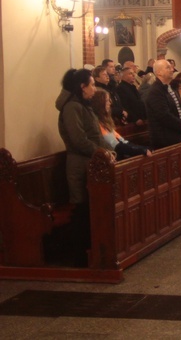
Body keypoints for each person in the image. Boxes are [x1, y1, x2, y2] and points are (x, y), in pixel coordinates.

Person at [56, 68, 114, 266]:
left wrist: (107, 150)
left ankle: (94, 250)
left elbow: (95, 135)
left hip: (92, 162)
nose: (94, 88)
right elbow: (79, 139)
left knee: (92, 208)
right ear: (82, 87)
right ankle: (79, 256)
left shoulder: (84, 105)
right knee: (81, 209)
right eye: (92, 84)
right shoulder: (72, 107)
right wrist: (101, 153)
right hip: (80, 166)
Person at [91, 89, 151, 160]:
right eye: (107, 100)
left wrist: (142, 148)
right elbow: (116, 146)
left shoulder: (105, 121)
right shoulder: (98, 124)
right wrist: (141, 150)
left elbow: (122, 141)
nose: (110, 102)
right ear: (100, 104)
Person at [144, 59, 181, 149]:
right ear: (159, 72)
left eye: (171, 67)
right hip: (166, 139)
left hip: (179, 134)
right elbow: (164, 116)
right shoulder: (155, 92)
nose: (172, 70)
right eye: (168, 68)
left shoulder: (171, 88)